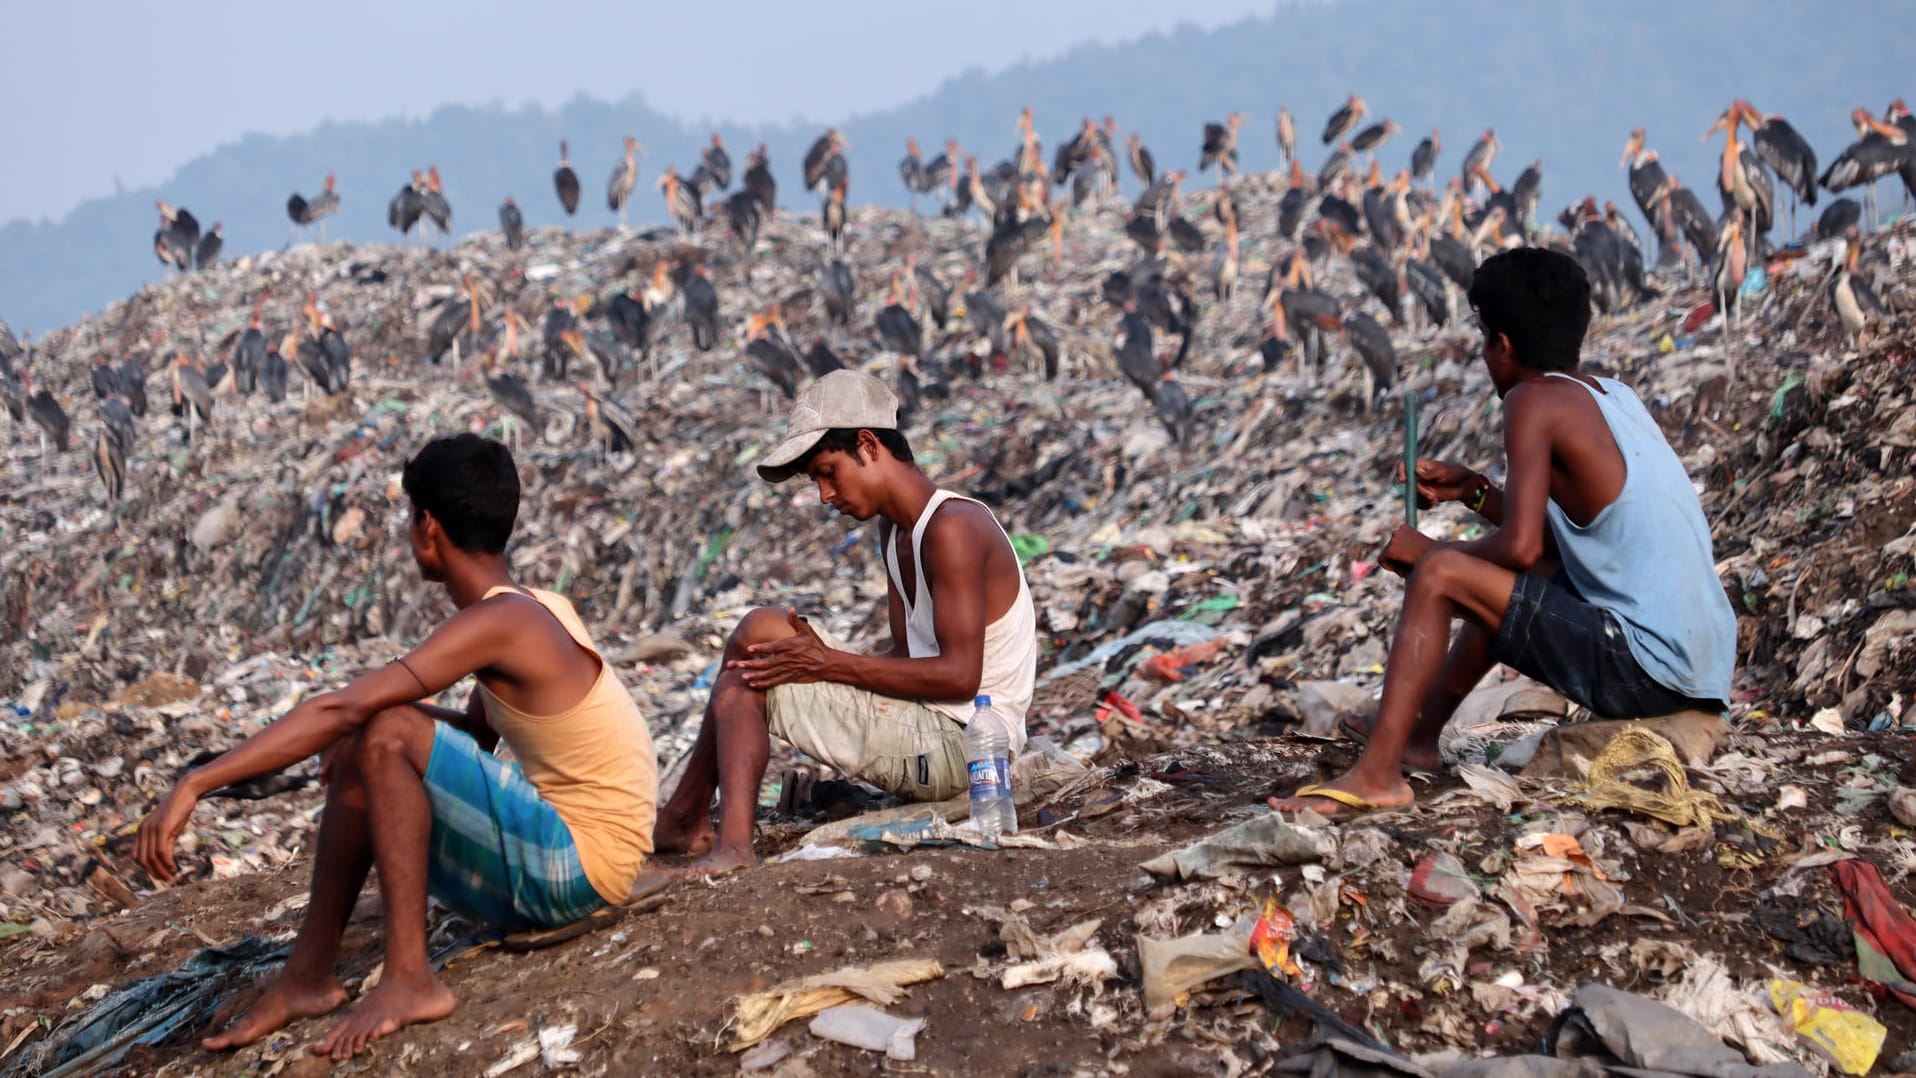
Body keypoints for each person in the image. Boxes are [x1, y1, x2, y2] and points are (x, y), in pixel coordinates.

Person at [133, 434, 658, 1061]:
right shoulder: (536, 608)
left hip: (583, 869)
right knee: (376, 731)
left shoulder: (500, 621)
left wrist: (196, 782)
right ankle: (306, 977)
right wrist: (366, 733)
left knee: (380, 727)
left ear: (426, 526)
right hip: (589, 858)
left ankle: (409, 978)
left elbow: (347, 706)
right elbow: (473, 739)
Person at [1270, 248, 1735, 817]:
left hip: (1641, 668)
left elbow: (1519, 547)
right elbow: (1546, 539)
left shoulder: (1529, 401)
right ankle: (1417, 739)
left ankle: (1378, 776)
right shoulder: (1614, 397)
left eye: (1484, 338)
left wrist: (1431, 552)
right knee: (1499, 580)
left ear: (1502, 345)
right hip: (1695, 669)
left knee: (1445, 575)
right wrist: (1472, 490)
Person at [652, 369, 1038, 874]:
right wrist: (823, 660)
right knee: (761, 630)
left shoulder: (953, 528)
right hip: (931, 722)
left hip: (968, 751)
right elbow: (907, 657)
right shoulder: (897, 530)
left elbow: (959, 676)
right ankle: (685, 819)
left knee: (744, 681)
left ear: (868, 444)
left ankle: (726, 843)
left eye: (828, 471)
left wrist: (828, 665)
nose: (824, 494)